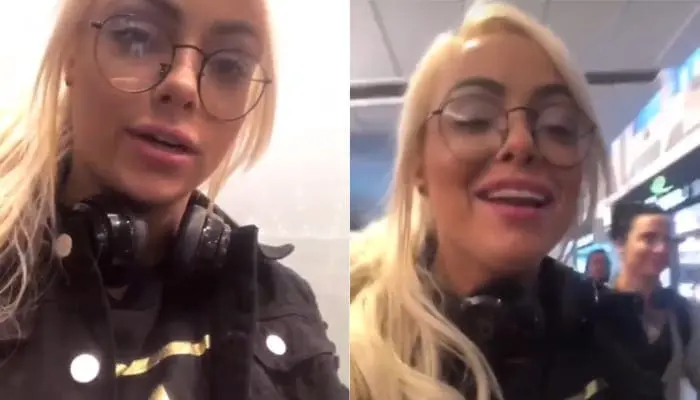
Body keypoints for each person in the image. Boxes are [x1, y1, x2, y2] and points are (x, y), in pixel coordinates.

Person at [0, 0, 347, 399]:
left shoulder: (283, 304)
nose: (183, 86)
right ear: (71, 56)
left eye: (230, 66)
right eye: (136, 38)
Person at [349, 3, 664, 400]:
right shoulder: (335, 348)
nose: (522, 142)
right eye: (474, 119)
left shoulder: (618, 346)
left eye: (558, 127)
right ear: (418, 166)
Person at [611, 202, 700, 399]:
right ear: (620, 243)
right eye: (649, 238)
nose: (662, 249)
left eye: (668, 240)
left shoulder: (684, 313)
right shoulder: (591, 308)